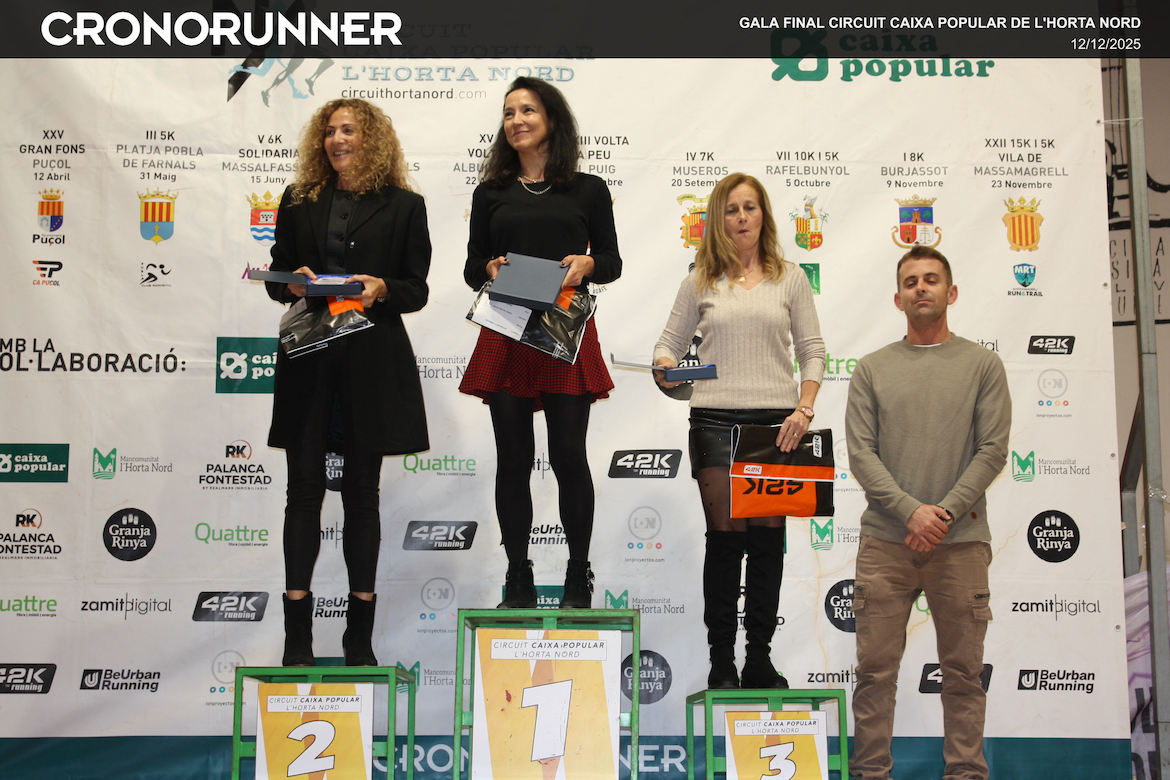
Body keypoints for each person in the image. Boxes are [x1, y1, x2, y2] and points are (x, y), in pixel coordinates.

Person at [264, 98, 431, 665]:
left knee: (362, 494)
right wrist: (291, 282)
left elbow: (416, 289)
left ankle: (358, 637)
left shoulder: (406, 206)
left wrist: (382, 288)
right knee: (302, 492)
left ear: (372, 139)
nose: (337, 139)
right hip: (309, 359)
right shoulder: (298, 199)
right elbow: (278, 275)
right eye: (330, 131)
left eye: (349, 130)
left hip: (371, 360)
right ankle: (297, 637)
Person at [845, 246, 1010, 780]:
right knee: (874, 675)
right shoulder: (872, 369)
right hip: (885, 544)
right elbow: (861, 455)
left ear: (951, 292)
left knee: (963, 675)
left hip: (961, 545)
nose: (921, 287)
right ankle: (871, 773)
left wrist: (941, 515)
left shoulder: (983, 366)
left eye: (932, 279)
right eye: (911, 281)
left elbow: (992, 450)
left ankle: (965, 774)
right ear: (898, 299)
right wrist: (912, 513)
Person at [653, 173, 825, 689]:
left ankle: (759, 661)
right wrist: (665, 366)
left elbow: (812, 350)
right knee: (725, 542)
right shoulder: (699, 280)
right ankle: (721, 663)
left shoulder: (791, 278)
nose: (742, 217)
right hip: (713, 421)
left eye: (750, 207)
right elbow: (667, 344)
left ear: (763, 215)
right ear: (718, 220)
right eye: (731, 209)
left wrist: (804, 409)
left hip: (776, 426)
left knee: (768, 544)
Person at [459, 77, 622, 609]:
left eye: (527, 110)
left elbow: (612, 262)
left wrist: (588, 263)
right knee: (513, 459)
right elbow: (471, 267)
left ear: (552, 118)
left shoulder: (588, 188)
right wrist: (489, 267)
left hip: (564, 328)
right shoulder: (490, 192)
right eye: (509, 113)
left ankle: (578, 576)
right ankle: (518, 576)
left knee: (569, 456)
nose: (516, 121)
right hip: (507, 327)